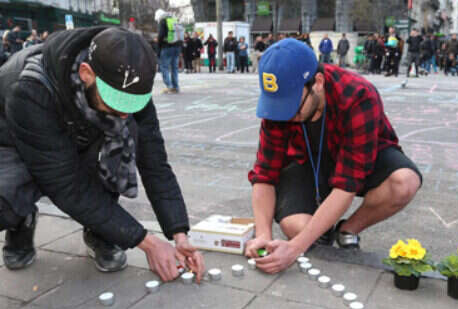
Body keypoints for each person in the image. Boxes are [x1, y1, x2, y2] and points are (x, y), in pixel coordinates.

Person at [0, 27, 204, 282]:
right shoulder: (30, 89)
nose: (124, 113)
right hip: (14, 140)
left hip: (75, 132)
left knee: (121, 139)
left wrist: (179, 233)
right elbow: (65, 185)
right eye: (115, 102)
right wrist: (145, 242)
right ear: (86, 73)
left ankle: (100, 231)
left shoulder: (130, 83)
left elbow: (155, 163)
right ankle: (20, 219)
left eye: (130, 105)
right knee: (7, 196)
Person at [245, 39, 422, 273]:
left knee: (404, 183)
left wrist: (295, 248)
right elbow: (264, 175)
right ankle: (320, 229)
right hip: (306, 160)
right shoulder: (278, 107)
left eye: (292, 106)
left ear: (317, 83)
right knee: (296, 227)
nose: (286, 116)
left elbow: (347, 184)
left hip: (358, 154)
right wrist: (263, 235)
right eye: (279, 106)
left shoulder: (358, 95)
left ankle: (347, 230)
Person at [155, 9, 182, 94]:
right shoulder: (174, 19)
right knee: (174, 68)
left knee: (164, 67)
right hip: (177, 46)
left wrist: (158, 48)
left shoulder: (163, 21)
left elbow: (161, 36)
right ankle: (176, 87)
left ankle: (169, 86)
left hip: (167, 47)